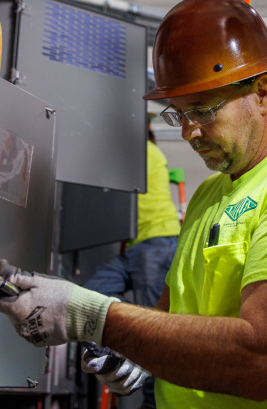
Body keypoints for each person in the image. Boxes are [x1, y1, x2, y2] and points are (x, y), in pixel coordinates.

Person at [0, 0, 267, 408]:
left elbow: (259, 360)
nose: (189, 132)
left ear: (263, 93)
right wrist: (142, 354)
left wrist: (95, 319)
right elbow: (175, 310)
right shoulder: (211, 193)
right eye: (178, 114)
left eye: (203, 110)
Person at [80, 131, 181, 409]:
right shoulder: (138, 156)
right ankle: (114, 352)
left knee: (155, 328)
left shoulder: (146, 151)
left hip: (157, 243)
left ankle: (153, 404)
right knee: (88, 296)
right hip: (137, 248)